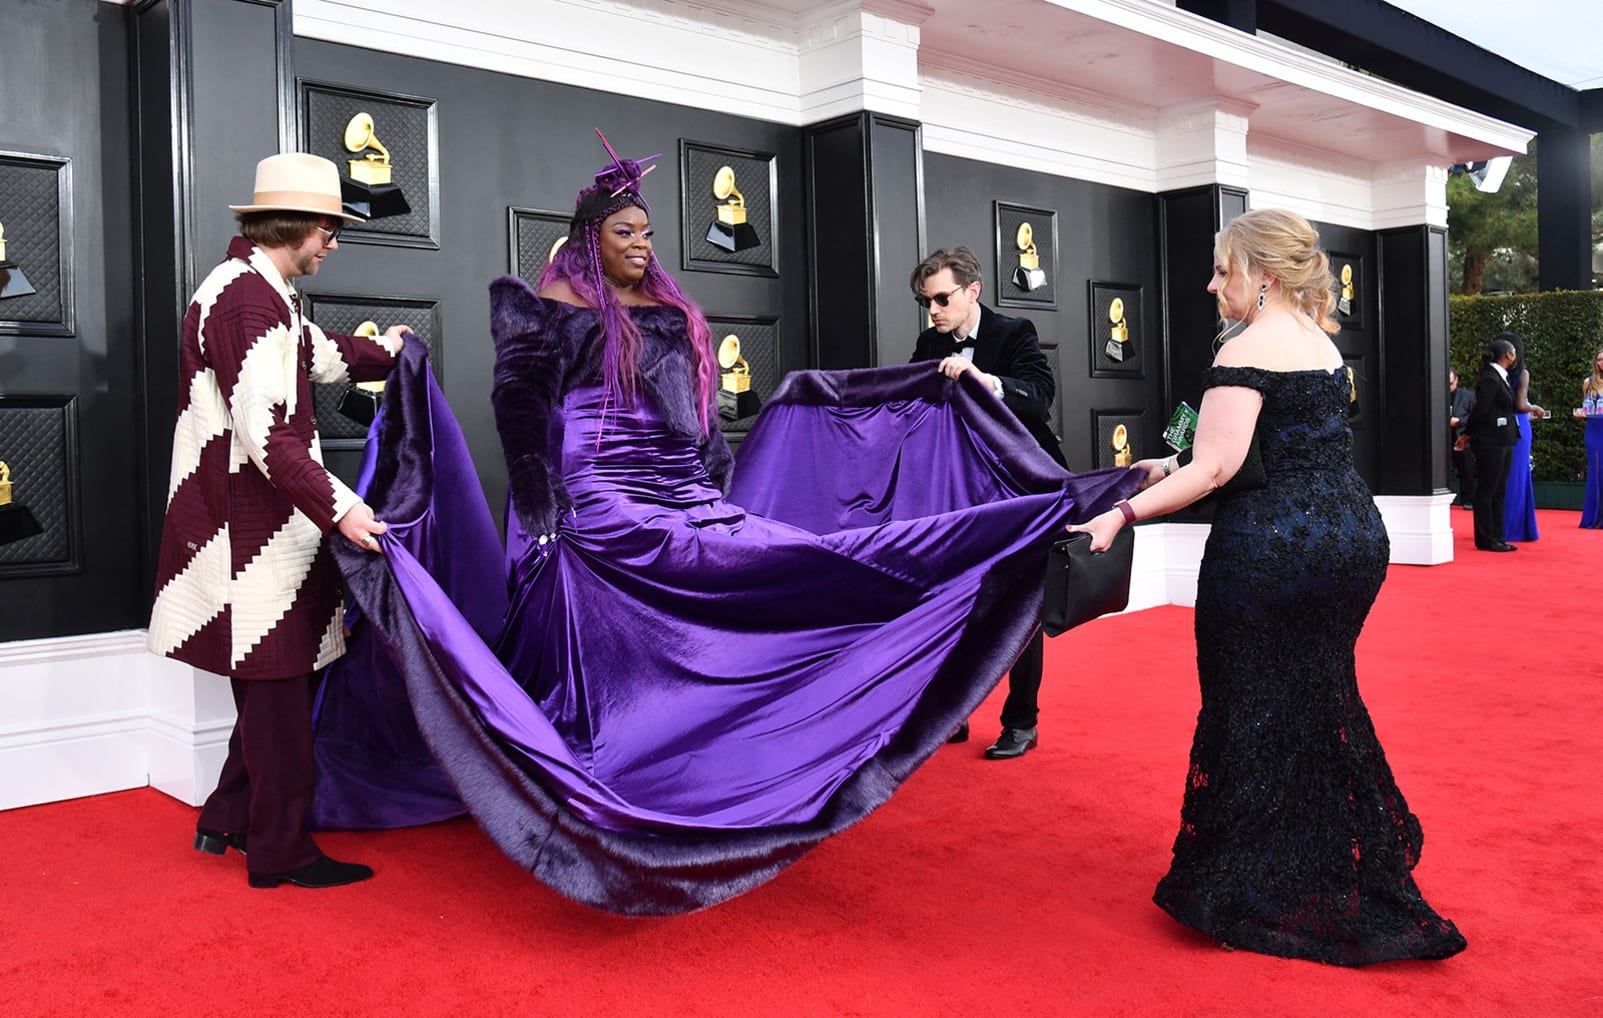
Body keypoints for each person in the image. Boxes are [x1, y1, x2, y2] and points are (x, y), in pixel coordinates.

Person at [305, 139, 1140, 913]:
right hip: (599, 495)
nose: (643, 244)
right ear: (589, 236)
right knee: (656, 593)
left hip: (678, 486)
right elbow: (520, 413)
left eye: (647, 231)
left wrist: (717, 487)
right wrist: (539, 506)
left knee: (787, 556)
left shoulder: (664, 307)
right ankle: (604, 780)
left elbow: (695, 417)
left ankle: (1023, 527)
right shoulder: (544, 306)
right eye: (626, 232)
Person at [1067, 208, 1465, 965]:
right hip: (1350, 538)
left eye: (1224, 270)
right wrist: (1166, 464)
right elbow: (1261, 446)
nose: (1213, 283)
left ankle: (1249, 885)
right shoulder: (1320, 341)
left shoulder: (1245, 348)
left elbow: (1216, 470)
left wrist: (1119, 514)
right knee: (1315, 694)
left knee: (1248, 703)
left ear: (1264, 277)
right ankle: (1329, 859)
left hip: (1272, 551)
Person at [147, 152, 410, 889]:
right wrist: (344, 510)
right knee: (280, 695)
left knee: (273, 688)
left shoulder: (257, 291)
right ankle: (281, 853)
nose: (334, 243)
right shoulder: (249, 304)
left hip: (248, 524)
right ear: (301, 226)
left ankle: (225, 819)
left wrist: (384, 352)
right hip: (247, 530)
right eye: (331, 229)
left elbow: (320, 355)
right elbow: (270, 438)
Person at [908, 246, 1064, 760]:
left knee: (1019, 602)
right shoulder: (928, 342)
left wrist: (985, 381)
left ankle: (1022, 722)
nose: (933, 310)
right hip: (959, 489)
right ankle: (952, 712)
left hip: (1021, 486)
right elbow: (912, 405)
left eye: (941, 298)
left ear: (972, 291)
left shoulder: (1013, 332)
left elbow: (1040, 395)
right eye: (926, 301)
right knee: (955, 598)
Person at [1460, 337, 1521, 552]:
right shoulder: (1490, 378)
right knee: (1487, 489)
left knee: (1499, 490)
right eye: (1514, 352)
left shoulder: (1500, 377)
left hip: (1503, 440)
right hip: (1490, 441)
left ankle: (1498, 535)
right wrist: (1467, 434)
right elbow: (1480, 410)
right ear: (1507, 355)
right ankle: (1486, 538)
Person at [1501, 333, 1545, 542]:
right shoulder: (1520, 374)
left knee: (1511, 476)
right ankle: (1517, 526)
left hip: (1510, 426)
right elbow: (1521, 405)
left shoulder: (1503, 373)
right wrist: (1535, 407)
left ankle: (1508, 526)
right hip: (1519, 425)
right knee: (1516, 476)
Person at [1579, 347, 1603, 529]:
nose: (1602, 363)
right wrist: (1580, 413)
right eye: (1600, 359)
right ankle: (1594, 517)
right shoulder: (1588, 382)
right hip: (1594, 430)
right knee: (1595, 471)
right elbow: (1584, 409)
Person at [1448, 368, 1476, 508]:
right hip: (1441, 439)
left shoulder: (1468, 396)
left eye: (1451, 383)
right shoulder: (1436, 394)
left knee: (1466, 469)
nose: (1448, 387)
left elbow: (1474, 416)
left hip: (1462, 437)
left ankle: (1468, 500)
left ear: (1457, 380)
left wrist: (1459, 421)